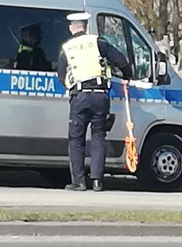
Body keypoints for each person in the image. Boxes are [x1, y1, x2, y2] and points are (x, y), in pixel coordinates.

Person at [56, 12, 131, 191]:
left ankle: (79, 182)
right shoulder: (98, 42)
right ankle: (97, 181)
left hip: (80, 97)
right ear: (85, 26)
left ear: (71, 27)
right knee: (98, 137)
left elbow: (61, 74)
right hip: (100, 96)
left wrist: (72, 88)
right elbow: (121, 60)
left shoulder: (67, 47)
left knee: (76, 139)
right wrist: (127, 76)